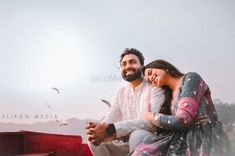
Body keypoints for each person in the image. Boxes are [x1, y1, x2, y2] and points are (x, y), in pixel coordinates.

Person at [131, 59, 231, 156]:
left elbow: (183, 119)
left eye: (150, 72)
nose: (150, 78)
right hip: (178, 136)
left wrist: (150, 116)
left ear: (162, 66)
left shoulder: (191, 78)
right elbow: (168, 124)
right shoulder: (168, 96)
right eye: (149, 80)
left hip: (202, 136)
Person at [86, 48, 166, 156]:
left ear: (142, 66)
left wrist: (112, 128)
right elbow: (111, 117)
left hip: (150, 142)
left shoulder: (154, 87)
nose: (127, 66)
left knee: (136, 135)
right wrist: (99, 128)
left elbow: (152, 123)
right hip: (125, 142)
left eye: (132, 62)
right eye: (123, 64)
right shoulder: (121, 92)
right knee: (94, 140)